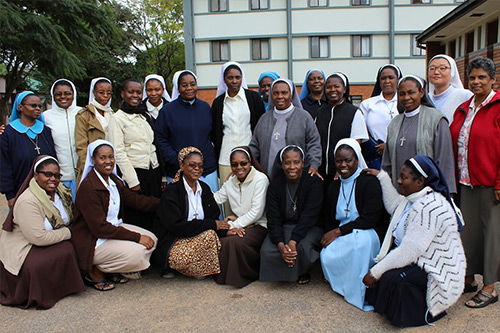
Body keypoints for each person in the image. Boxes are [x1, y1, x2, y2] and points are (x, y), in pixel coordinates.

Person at [362, 155, 466, 327]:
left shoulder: (429, 207)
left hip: (437, 268)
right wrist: (381, 177)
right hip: (420, 258)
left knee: (394, 279)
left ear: (420, 182)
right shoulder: (413, 198)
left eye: (404, 178)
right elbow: (394, 207)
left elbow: (410, 250)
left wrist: (375, 272)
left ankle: (423, 312)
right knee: (387, 275)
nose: (399, 181)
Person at [71, 140, 159, 291]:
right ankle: (95, 270)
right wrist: (137, 237)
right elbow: (100, 228)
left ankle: (109, 270)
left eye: (111, 157)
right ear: (93, 160)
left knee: (153, 240)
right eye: (102, 158)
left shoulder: (112, 180)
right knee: (138, 253)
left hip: (112, 230)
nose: (108, 161)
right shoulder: (89, 188)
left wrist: (166, 202)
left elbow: (135, 200)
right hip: (93, 240)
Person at [0, 156, 85, 309]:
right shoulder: (28, 201)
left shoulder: (62, 192)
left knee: (73, 247)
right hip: (24, 247)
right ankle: (38, 294)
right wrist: (69, 233)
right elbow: (38, 238)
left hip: (50, 237)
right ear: (35, 175)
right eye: (47, 174)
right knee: (55, 256)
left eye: (57, 175)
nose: (53, 179)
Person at [450, 56, 500, 308]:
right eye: (472, 77)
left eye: (482, 77)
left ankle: (489, 287)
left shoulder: (499, 106)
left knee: (491, 235)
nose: (477, 81)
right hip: (465, 182)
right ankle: (468, 280)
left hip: (491, 184)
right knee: (467, 233)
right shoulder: (465, 107)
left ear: (493, 79)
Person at [320, 139, 388, 311]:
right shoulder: (334, 186)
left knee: (360, 245)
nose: (343, 165)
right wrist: (334, 232)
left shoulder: (369, 181)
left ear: (357, 160)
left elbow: (370, 218)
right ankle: (347, 288)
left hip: (367, 231)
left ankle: (360, 292)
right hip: (343, 233)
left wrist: (338, 231)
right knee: (327, 254)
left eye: (348, 160)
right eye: (339, 161)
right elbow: (330, 218)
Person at [152, 147, 230, 278]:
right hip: (174, 241)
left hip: (195, 240)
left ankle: (197, 269)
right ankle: (180, 267)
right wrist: (212, 224)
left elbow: (213, 218)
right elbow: (176, 226)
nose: (197, 169)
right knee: (209, 235)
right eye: (192, 165)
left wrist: (226, 230)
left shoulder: (204, 188)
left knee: (211, 236)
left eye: (200, 166)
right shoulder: (172, 191)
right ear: (182, 166)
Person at [381, 75, 456, 193]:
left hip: (428, 192)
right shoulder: (395, 123)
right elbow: (387, 162)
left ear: (421, 92)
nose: (406, 98)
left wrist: (447, 191)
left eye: (411, 92)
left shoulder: (436, 119)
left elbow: (444, 159)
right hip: (399, 192)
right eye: (402, 94)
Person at [259, 145, 323, 284]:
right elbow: (273, 218)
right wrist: (281, 245)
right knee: (268, 250)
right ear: (281, 165)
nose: (292, 167)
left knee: (301, 247)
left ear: (303, 163)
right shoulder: (275, 185)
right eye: (287, 163)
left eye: (296, 162)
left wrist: (293, 241)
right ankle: (285, 273)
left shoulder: (313, 182)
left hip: (308, 227)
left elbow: (309, 216)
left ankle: (302, 271)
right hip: (285, 226)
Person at [211, 62, 265, 214]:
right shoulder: (218, 103)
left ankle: (250, 230)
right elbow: (216, 132)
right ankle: (230, 229)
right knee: (229, 197)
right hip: (225, 158)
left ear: (242, 78)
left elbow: (259, 127)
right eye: (230, 78)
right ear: (224, 80)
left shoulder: (253, 98)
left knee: (251, 195)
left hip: (250, 156)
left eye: (237, 77)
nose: (234, 81)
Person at [109, 79, 162, 230]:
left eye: (138, 92)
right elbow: (118, 151)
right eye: (130, 92)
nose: (135, 95)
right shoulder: (117, 119)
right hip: (135, 173)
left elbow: (154, 145)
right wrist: (133, 180)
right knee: (139, 214)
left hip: (153, 170)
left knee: (155, 213)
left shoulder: (144, 116)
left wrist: (161, 174)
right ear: (122, 94)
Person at [214, 146, 269, 288]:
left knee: (234, 241)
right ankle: (226, 277)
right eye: (234, 164)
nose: (239, 167)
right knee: (224, 241)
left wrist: (231, 226)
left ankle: (246, 275)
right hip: (239, 223)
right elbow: (217, 198)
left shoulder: (260, 179)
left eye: (243, 163)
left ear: (250, 162)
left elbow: (256, 212)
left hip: (258, 225)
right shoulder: (231, 181)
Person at [156, 70, 218, 193]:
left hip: (206, 170)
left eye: (192, 84)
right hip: (178, 170)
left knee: (210, 207)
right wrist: (177, 160)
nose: (189, 88)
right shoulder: (167, 111)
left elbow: (212, 136)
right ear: (178, 88)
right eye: (184, 85)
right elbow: (161, 139)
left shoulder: (205, 107)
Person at [249, 78, 322, 179]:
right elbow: (254, 146)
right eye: (276, 93)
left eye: (284, 93)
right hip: (267, 175)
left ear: (291, 95)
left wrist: (314, 165)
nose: (280, 96)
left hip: (296, 176)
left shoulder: (303, 117)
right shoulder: (264, 119)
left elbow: (313, 144)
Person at [0, 91, 56, 208]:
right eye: (33, 106)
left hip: (47, 190)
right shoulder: (8, 133)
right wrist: (10, 196)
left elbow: (53, 159)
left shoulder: (45, 131)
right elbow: (4, 166)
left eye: (39, 106)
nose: (38, 109)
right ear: (20, 107)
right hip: (20, 190)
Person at [316, 73, 369, 186]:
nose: (332, 90)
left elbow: (356, 143)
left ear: (344, 89)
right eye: (329, 87)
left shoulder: (354, 112)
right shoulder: (320, 112)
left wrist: (341, 167)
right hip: (321, 172)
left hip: (343, 172)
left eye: (336, 86)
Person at [44, 79, 82, 198]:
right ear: (53, 96)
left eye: (67, 93)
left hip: (82, 175)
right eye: (58, 94)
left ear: (73, 94)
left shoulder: (82, 113)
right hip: (58, 178)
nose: (63, 97)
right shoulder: (45, 117)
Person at [360, 65, 403, 169]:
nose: (387, 81)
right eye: (383, 78)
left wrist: (389, 146)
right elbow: (362, 131)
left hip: (401, 153)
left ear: (398, 79)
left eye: (391, 77)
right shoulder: (367, 104)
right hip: (376, 156)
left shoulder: (405, 102)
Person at [75, 77, 114, 185]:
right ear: (94, 93)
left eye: (108, 93)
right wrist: (91, 167)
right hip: (92, 167)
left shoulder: (112, 114)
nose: (105, 96)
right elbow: (81, 147)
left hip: (111, 166)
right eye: (101, 92)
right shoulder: (84, 116)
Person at [427, 54, 473, 123]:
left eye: (442, 68)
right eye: (432, 68)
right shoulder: (426, 98)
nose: (436, 72)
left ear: (452, 71)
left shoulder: (465, 96)